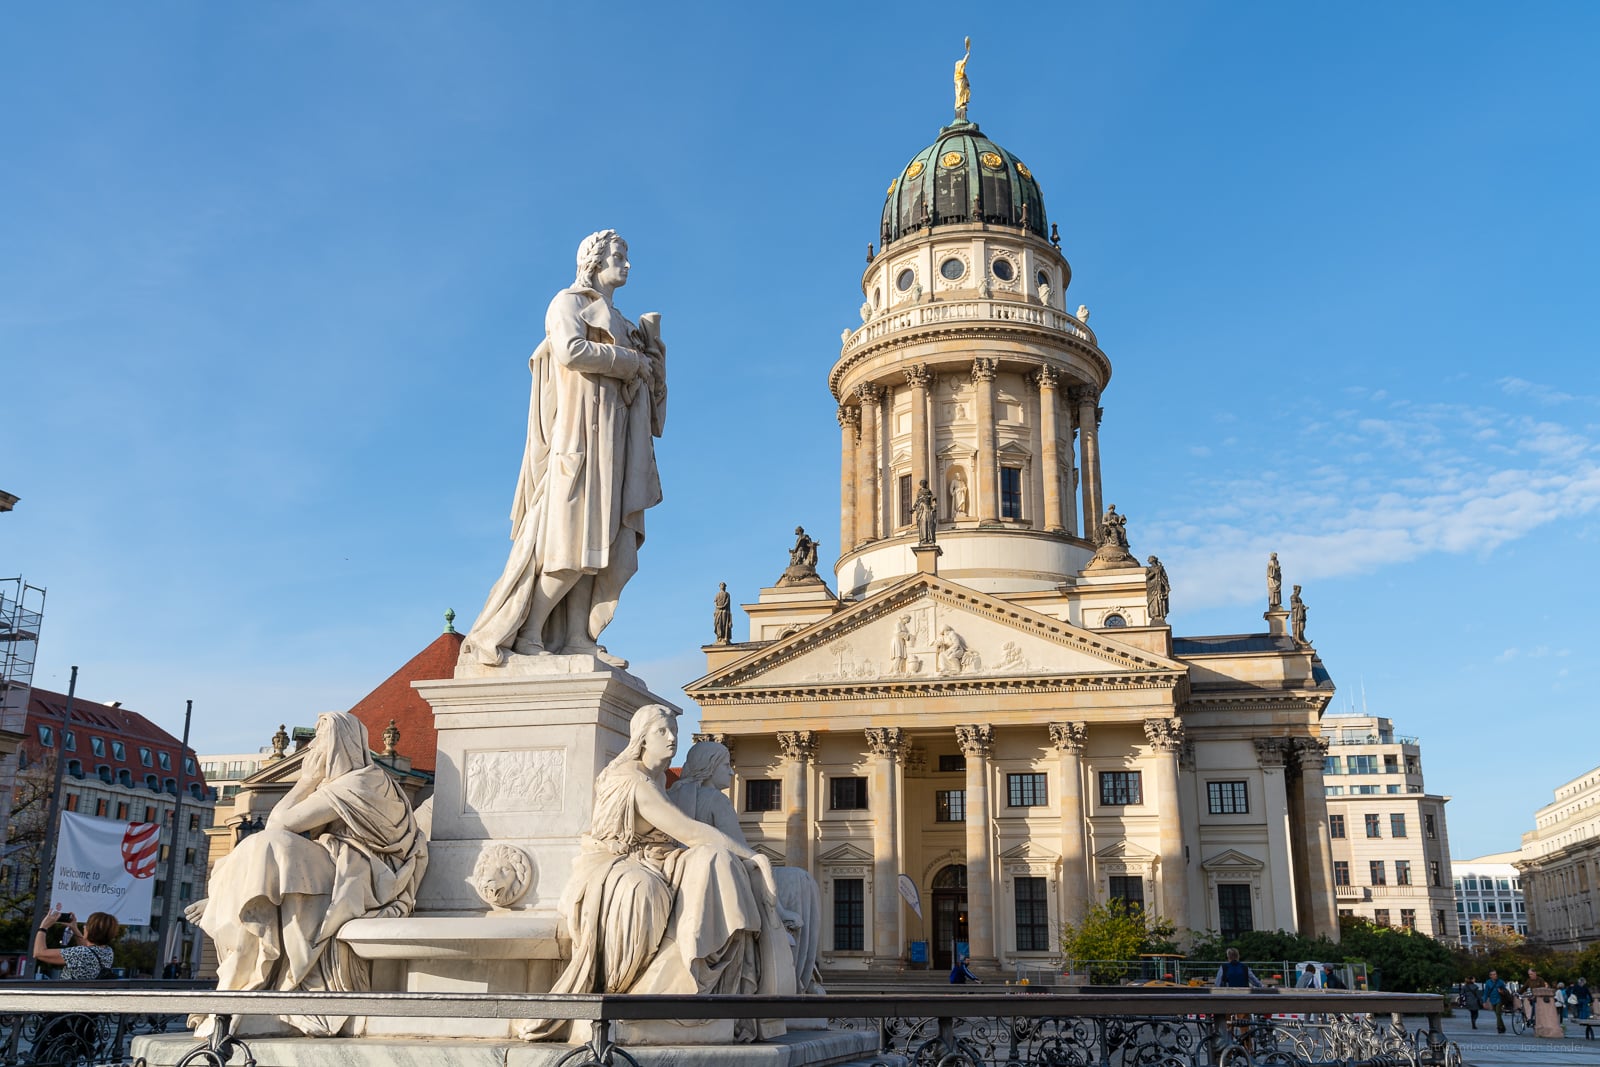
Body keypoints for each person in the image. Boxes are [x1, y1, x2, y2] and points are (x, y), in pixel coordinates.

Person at [519, 705, 795, 1044]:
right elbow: (687, 830)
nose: (673, 739)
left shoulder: (661, 780)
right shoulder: (633, 780)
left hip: (654, 860)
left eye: (674, 731)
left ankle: (703, 974)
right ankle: (668, 979)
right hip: (614, 865)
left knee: (713, 861)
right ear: (642, 738)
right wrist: (754, 856)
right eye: (662, 731)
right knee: (664, 880)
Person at [460, 230, 666, 669]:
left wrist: (652, 356)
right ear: (594, 260)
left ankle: (577, 637)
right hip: (579, 438)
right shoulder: (568, 303)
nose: (626, 264)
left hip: (615, 444)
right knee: (571, 543)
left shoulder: (625, 323)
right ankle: (530, 631)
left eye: (627, 256)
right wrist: (630, 362)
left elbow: (652, 400)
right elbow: (571, 350)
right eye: (618, 255)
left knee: (603, 547)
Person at [187, 711, 428, 1037]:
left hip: (367, 875)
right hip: (342, 866)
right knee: (259, 847)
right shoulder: (352, 783)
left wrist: (306, 780)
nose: (313, 749)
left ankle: (235, 924)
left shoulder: (359, 783)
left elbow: (280, 824)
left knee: (268, 844)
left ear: (340, 745)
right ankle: (232, 904)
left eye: (320, 741)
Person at [667, 739, 825, 995]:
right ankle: (801, 982)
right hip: (724, 879)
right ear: (710, 767)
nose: (731, 771)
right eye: (726, 765)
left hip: (687, 880)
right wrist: (780, 908)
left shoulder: (672, 796)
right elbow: (745, 856)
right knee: (800, 880)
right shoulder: (715, 800)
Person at [31, 911, 117, 980]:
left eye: (86, 925)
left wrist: (43, 927)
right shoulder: (108, 952)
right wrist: (74, 928)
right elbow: (89, 950)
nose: (84, 927)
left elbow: (39, 953)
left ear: (91, 930)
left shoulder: (79, 954)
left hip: (69, 998)